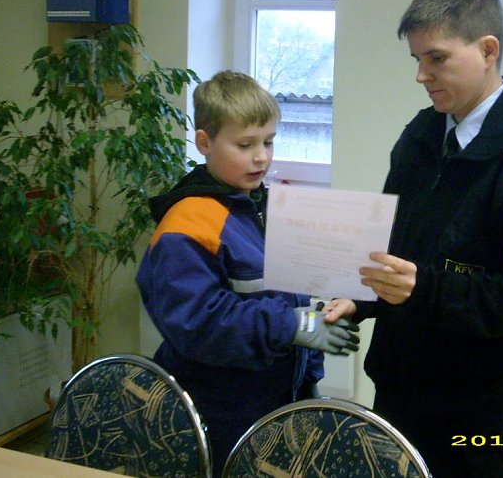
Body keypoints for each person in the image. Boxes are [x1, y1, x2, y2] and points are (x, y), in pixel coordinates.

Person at [324, 0, 503, 477]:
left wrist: (426, 289)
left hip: (472, 401)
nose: (421, 74)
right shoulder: (421, 133)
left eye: (435, 58)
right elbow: (394, 248)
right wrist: (363, 298)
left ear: (487, 50)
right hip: (399, 380)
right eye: (416, 59)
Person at [135, 71, 360, 476]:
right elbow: (199, 322)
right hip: (218, 413)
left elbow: (281, 293)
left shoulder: (260, 206)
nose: (262, 157)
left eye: (268, 141)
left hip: (275, 401)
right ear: (204, 142)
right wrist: (289, 325)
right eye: (245, 145)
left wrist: (308, 364)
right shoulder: (186, 224)